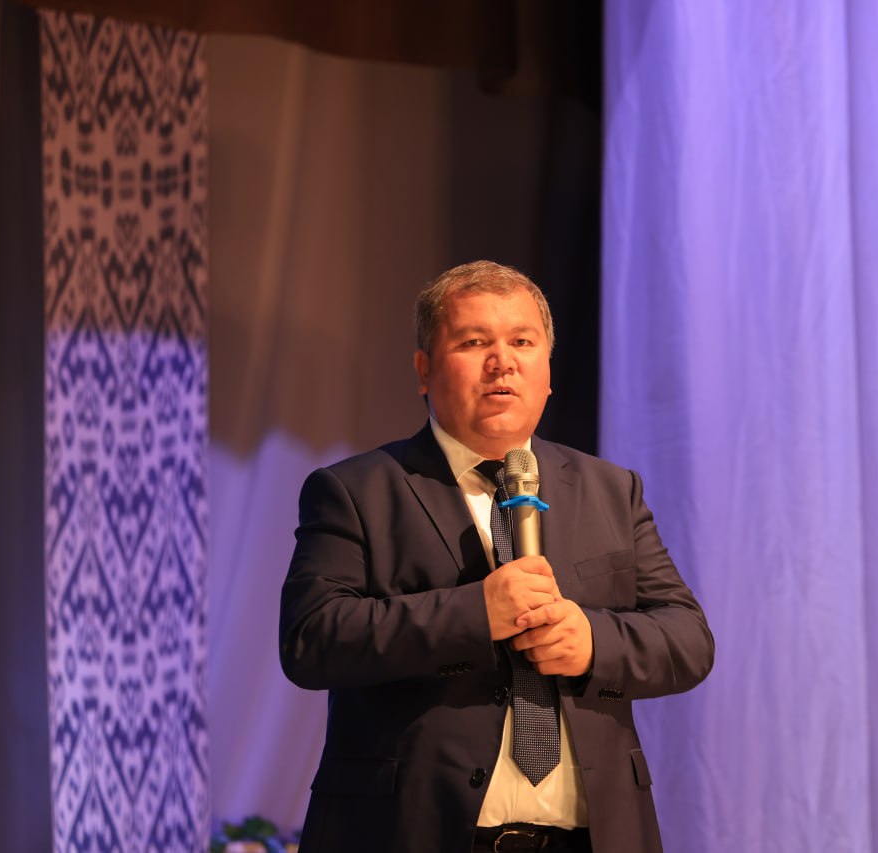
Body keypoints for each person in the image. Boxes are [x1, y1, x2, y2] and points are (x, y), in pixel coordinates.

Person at [279, 260, 714, 852]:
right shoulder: (356, 490)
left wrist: (592, 640)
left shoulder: (612, 490)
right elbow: (311, 640)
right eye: (474, 342)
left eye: (522, 342)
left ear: (548, 371)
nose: (502, 361)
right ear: (424, 370)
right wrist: (474, 613)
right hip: (414, 833)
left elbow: (688, 639)